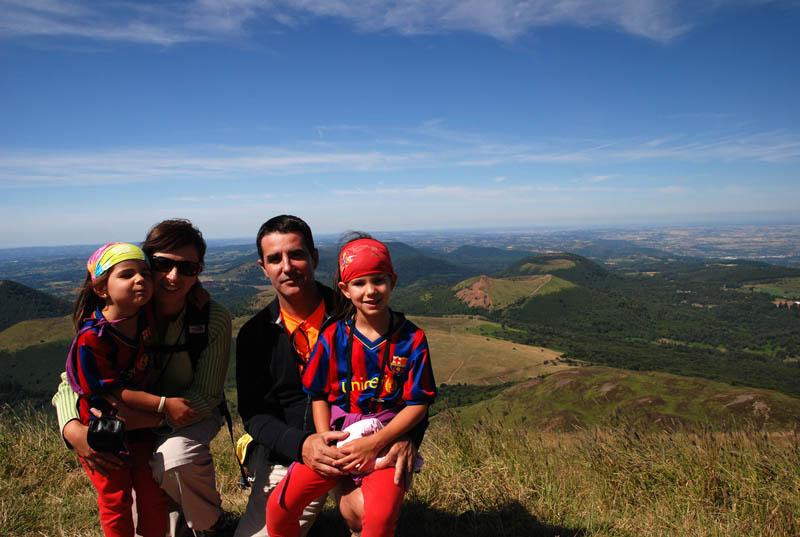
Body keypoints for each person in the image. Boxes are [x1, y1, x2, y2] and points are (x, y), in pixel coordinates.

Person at [235, 217, 426, 537]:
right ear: (262, 267)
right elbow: (254, 415)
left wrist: (406, 438)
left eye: (296, 255)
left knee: (368, 515)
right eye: (274, 259)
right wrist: (303, 445)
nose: (287, 266)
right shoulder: (255, 336)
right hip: (292, 455)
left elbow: (407, 384)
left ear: (315, 257)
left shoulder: (358, 309)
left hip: (364, 445)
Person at [53, 220, 232, 537]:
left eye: (188, 268)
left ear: (199, 271)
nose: (173, 277)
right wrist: (72, 429)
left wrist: (149, 419)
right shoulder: (123, 311)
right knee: (132, 507)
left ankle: (210, 526)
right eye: (163, 264)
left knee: (174, 461)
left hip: (179, 417)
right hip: (133, 423)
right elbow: (74, 379)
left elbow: (207, 395)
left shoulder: (210, 317)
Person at [68, 242, 174, 537]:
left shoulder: (143, 316)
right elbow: (112, 392)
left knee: (153, 496)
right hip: (105, 433)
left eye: (144, 273)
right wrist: (163, 406)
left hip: (137, 429)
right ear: (101, 289)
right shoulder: (93, 338)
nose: (140, 280)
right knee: (116, 500)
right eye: (126, 275)